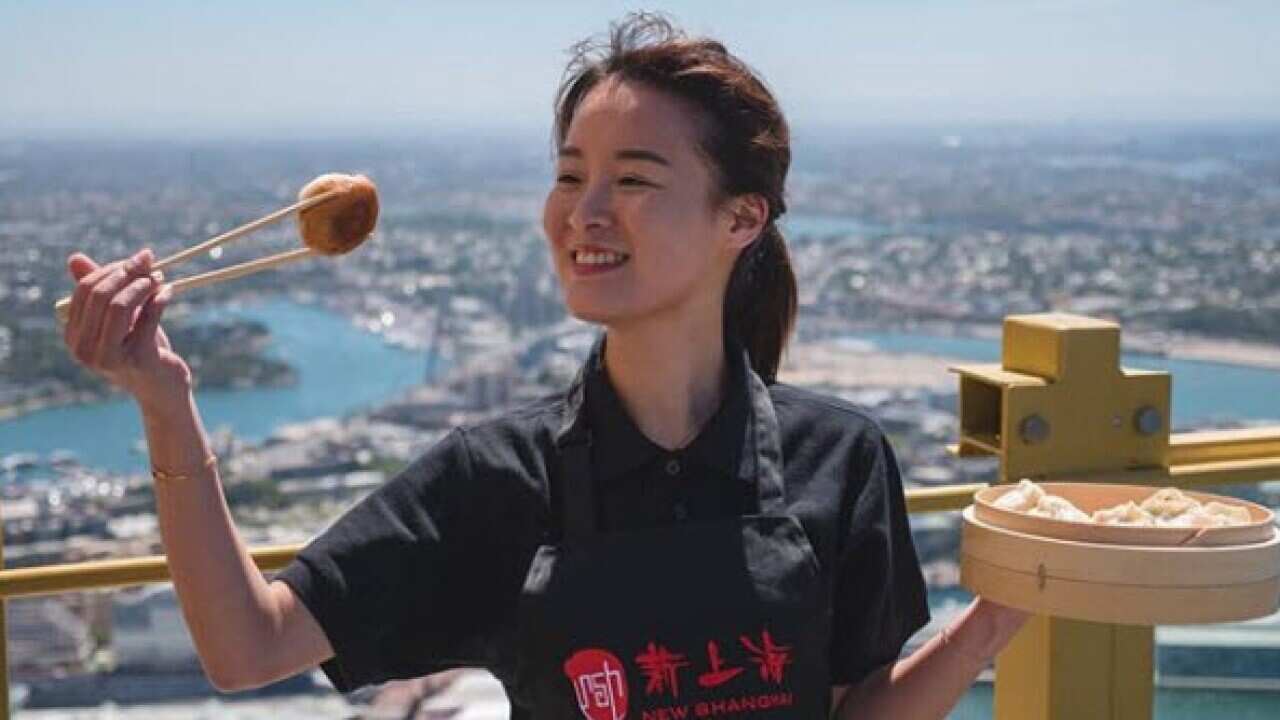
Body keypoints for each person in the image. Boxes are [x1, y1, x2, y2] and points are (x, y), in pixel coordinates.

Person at [62, 14, 1029, 719]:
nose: (584, 211)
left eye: (634, 180)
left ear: (742, 219)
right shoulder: (493, 476)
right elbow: (245, 647)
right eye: (570, 175)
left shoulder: (841, 458)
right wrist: (165, 401)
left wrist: (988, 625)